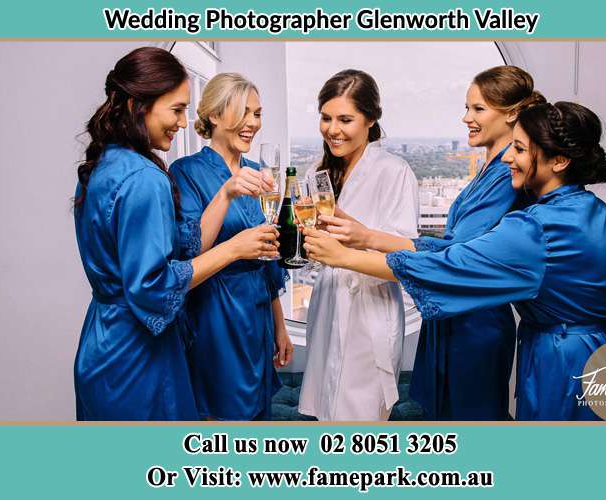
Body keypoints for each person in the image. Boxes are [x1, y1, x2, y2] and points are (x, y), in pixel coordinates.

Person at [304, 101, 606, 420]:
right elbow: (456, 253)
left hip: (563, 366)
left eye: (519, 149)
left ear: (558, 160)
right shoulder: (596, 211)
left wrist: (344, 257)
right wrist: (367, 237)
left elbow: (447, 265)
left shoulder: (534, 228)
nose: (509, 159)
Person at [319, 65, 544, 420]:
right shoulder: (489, 168)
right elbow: (447, 247)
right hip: (449, 315)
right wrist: (365, 234)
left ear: (512, 113)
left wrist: (352, 252)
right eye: (467, 108)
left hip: (475, 320)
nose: (466, 118)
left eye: (478, 109)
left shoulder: (507, 175)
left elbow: (457, 257)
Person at [73, 48, 279, 421]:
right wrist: (232, 249)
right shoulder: (146, 179)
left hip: (101, 342)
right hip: (137, 353)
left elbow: (182, 248)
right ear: (139, 105)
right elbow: (153, 286)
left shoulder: (104, 165)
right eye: (177, 109)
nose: (184, 123)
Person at [296, 69, 419, 421]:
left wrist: (349, 235)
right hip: (329, 303)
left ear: (371, 119)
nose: (333, 129)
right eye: (326, 118)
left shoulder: (394, 172)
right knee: (326, 412)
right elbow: (313, 245)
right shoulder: (317, 173)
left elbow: (403, 258)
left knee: (361, 421)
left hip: (370, 313)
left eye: (345, 119)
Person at [169, 73, 292, 421]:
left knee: (257, 417)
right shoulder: (185, 172)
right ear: (213, 116)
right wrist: (226, 192)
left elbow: (268, 254)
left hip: (257, 313)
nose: (253, 123)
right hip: (215, 312)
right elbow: (190, 252)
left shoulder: (259, 171)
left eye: (257, 113)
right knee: (219, 416)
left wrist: (280, 325)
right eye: (243, 112)